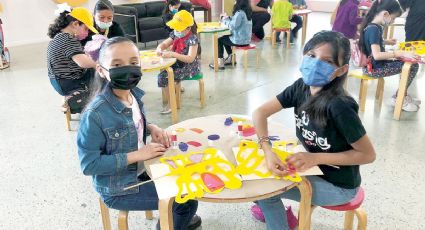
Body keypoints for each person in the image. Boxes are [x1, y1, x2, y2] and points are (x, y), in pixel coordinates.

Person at [252, 31, 376, 230]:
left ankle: (278, 219)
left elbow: (368, 155)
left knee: (266, 191)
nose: (316, 63)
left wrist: (315, 158)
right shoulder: (301, 86)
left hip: (339, 186)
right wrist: (267, 150)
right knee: (259, 176)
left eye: (327, 61)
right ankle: (280, 216)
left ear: (341, 70)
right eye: (311, 55)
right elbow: (260, 113)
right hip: (314, 171)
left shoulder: (339, 105)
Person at [77, 36, 202, 230]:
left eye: (133, 62)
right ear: (101, 70)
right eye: (117, 64)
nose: (127, 69)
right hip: (119, 187)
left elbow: (133, 121)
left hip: (143, 169)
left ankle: (172, 217)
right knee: (186, 202)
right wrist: (137, 155)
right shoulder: (94, 115)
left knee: (189, 181)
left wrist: (151, 127)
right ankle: (174, 217)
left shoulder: (133, 94)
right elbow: (89, 165)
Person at [359, 0, 421, 112]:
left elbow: (373, 43)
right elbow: (377, 55)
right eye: (393, 18)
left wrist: (387, 42)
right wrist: (398, 53)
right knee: (412, 66)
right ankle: (400, 97)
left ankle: (401, 95)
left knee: (409, 63)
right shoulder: (374, 29)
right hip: (374, 69)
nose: (392, 22)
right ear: (385, 14)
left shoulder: (373, 26)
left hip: (375, 66)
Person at [47, 6, 98, 112]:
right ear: (75, 24)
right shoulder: (68, 39)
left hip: (59, 81)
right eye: (86, 28)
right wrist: (99, 63)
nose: (87, 33)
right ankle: (77, 98)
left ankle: (77, 95)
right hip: (70, 82)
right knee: (98, 76)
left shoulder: (59, 37)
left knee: (94, 73)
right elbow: (83, 62)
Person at [156, 10, 201, 114]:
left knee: (162, 77)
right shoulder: (176, 34)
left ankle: (172, 104)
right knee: (163, 68)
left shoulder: (192, 39)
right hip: (177, 64)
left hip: (189, 67)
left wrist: (172, 54)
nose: (176, 30)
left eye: (179, 28)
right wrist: (159, 48)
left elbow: (190, 58)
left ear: (188, 28)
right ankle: (174, 88)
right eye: (175, 27)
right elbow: (164, 44)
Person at [209, 0, 252, 69]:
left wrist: (224, 19)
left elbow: (232, 26)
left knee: (219, 40)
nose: (235, 3)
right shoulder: (247, 13)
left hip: (239, 41)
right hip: (246, 40)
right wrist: (227, 18)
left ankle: (220, 63)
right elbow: (235, 21)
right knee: (225, 38)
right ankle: (231, 58)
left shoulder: (239, 13)